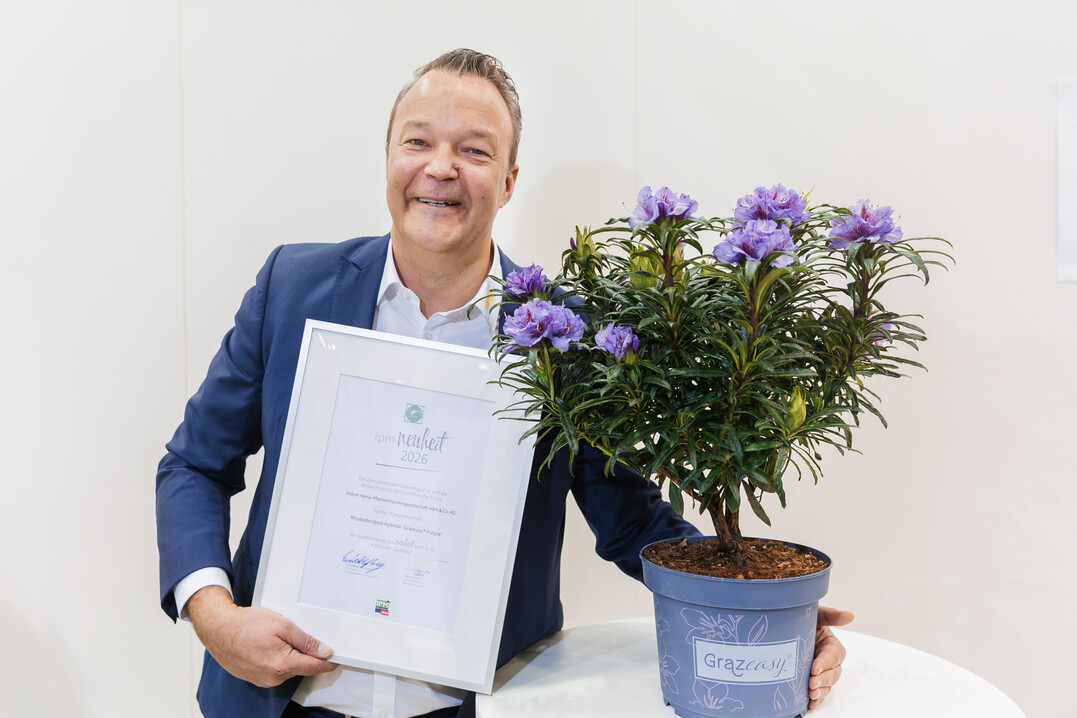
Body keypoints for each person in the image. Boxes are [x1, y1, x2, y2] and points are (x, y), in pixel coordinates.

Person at [156, 48, 852, 718]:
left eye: (474, 151)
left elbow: (633, 519)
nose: (440, 168)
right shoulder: (292, 287)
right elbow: (194, 463)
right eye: (418, 142)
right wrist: (213, 615)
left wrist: (758, 612)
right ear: (389, 158)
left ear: (510, 180)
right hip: (278, 706)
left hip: (482, 707)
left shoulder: (566, 335)